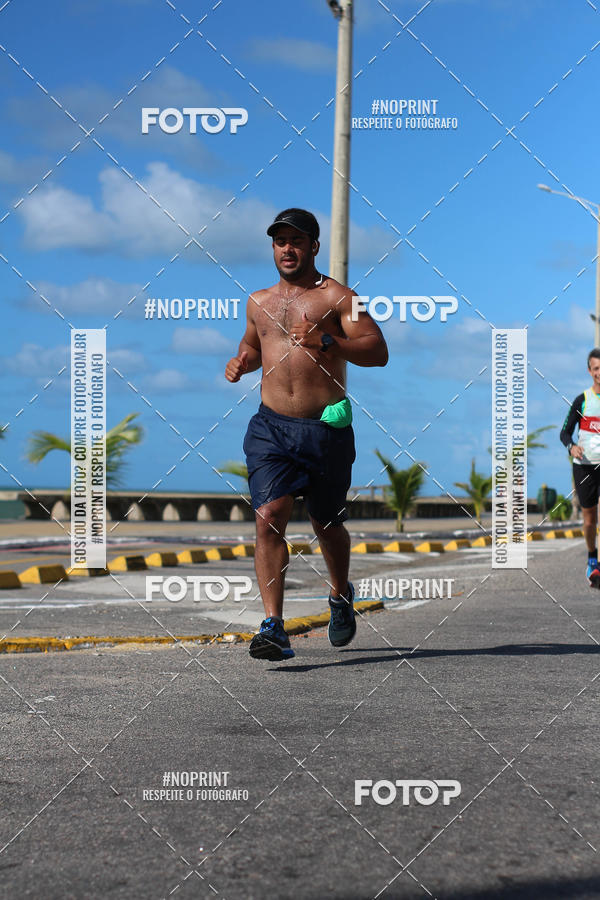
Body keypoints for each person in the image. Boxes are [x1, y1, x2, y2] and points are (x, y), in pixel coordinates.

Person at [225, 208, 389, 660]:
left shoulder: (340, 297)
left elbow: (377, 349)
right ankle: (273, 626)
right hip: (270, 427)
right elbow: (252, 345)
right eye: (280, 241)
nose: (288, 249)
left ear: (314, 246)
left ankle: (339, 593)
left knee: (326, 523)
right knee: (268, 515)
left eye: (297, 241)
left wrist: (328, 341)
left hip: (324, 430)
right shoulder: (257, 301)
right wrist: (241, 362)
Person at [560, 347, 600, 587]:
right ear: (589, 371)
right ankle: (592, 559)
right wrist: (571, 447)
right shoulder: (582, 400)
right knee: (589, 519)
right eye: (596, 368)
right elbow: (564, 432)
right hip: (584, 468)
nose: (599, 373)